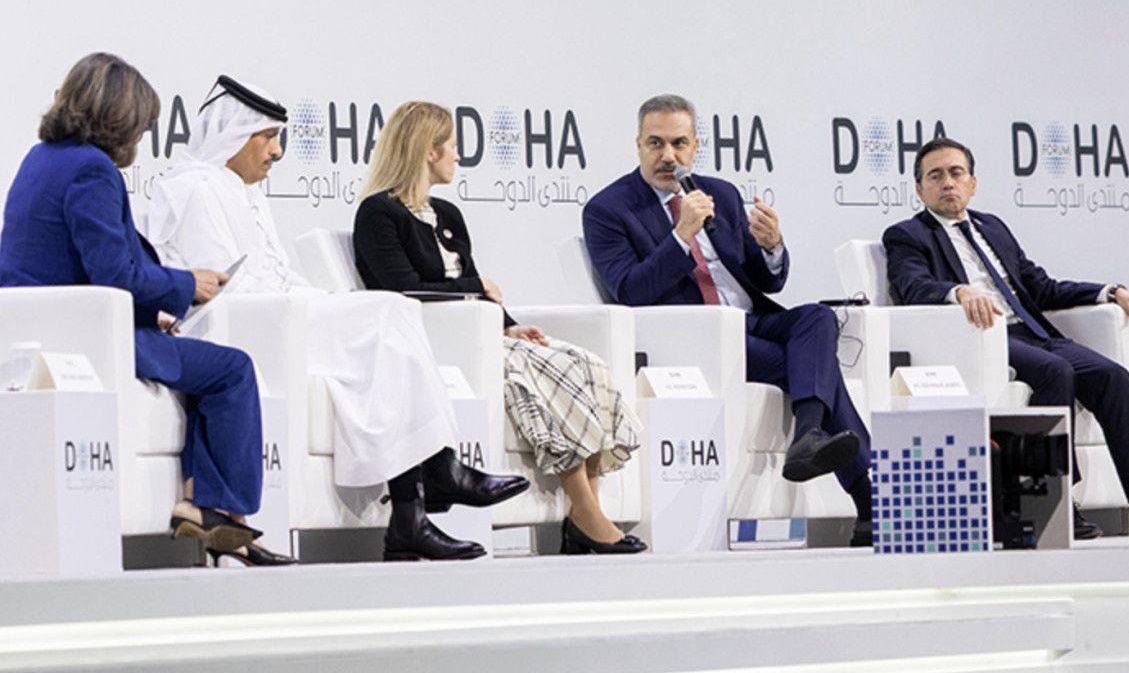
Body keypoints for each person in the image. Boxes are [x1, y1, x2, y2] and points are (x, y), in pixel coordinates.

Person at [148, 76, 529, 561]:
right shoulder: (197, 189)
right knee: (386, 310)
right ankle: (434, 476)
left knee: (391, 310)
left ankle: (417, 504)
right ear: (234, 135)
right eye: (268, 138)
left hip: (281, 314)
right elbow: (221, 288)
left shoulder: (243, 190)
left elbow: (277, 272)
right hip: (245, 326)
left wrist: (321, 298)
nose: (278, 151)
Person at [0, 53, 293, 566]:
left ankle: (206, 506)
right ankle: (220, 510)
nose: (142, 135)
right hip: (91, 341)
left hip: (56, 327)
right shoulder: (93, 169)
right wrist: (189, 284)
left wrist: (151, 312)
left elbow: (73, 266)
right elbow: (115, 274)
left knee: (201, 365)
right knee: (231, 369)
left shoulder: (38, 159)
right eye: (142, 123)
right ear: (119, 116)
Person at [353, 101, 645, 555]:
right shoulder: (378, 214)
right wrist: (474, 289)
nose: (458, 156)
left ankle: (587, 511)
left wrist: (508, 328)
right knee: (545, 375)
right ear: (428, 151)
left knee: (581, 362)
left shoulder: (447, 214)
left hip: (477, 334)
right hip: (430, 341)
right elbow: (403, 288)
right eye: (452, 146)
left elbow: (475, 286)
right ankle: (586, 515)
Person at [583, 94, 875, 547]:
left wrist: (772, 247)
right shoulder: (608, 210)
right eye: (656, 143)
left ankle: (811, 434)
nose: (668, 156)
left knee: (817, 319)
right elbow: (630, 290)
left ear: (695, 146)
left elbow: (766, 281)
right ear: (637, 144)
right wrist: (681, 235)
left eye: (679, 143)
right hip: (694, 336)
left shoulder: (720, 193)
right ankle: (865, 493)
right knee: (812, 364)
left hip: (749, 319)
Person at [882, 136, 1129, 538]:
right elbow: (912, 285)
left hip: (1033, 332)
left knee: (1113, 377)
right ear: (919, 189)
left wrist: (1108, 291)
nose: (947, 182)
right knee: (1055, 371)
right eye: (935, 175)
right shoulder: (907, 235)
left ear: (972, 183)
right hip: (980, 337)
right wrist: (958, 292)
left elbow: (1040, 287)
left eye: (956, 173)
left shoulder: (992, 227)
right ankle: (1057, 502)